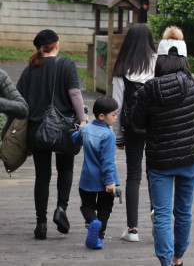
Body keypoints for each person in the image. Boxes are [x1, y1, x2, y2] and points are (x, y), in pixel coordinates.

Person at [132, 37, 194, 266]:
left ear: (159, 60)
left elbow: (136, 122)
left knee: (161, 214)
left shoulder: (149, 89)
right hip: (189, 158)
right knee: (183, 212)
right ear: (184, 59)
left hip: (159, 160)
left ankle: (166, 262)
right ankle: (179, 257)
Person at [16, 28, 88, 240]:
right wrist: (83, 121)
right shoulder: (66, 64)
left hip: (37, 130)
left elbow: (20, 101)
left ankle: (41, 223)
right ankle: (61, 209)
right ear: (56, 44)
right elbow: (74, 93)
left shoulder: (29, 69)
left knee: (42, 175)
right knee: (65, 169)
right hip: (63, 129)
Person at [111, 22, 158, 243]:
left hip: (133, 128)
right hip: (156, 125)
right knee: (155, 173)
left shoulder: (122, 68)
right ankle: (158, 216)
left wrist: (118, 136)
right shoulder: (158, 63)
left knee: (133, 176)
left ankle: (132, 230)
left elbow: (117, 106)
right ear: (150, 41)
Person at [72, 94, 119, 249]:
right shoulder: (108, 135)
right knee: (105, 208)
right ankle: (98, 236)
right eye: (113, 115)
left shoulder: (86, 129)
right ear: (101, 116)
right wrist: (110, 182)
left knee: (87, 206)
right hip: (105, 180)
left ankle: (92, 222)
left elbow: (75, 138)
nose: (116, 118)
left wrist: (81, 125)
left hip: (87, 179)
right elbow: (108, 162)